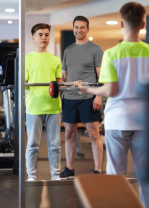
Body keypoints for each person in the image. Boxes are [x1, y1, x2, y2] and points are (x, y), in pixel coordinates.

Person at [75, 2, 149, 207]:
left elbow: (110, 90)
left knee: (116, 175)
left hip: (118, 119)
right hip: (144, 120)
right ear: (143, 24)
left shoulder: (112, 53)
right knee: (146, 176)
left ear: (121, 23)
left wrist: (88, 90)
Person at [59, 16, 104, 178]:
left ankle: (98, 169)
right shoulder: (68, 50)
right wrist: (59, 89)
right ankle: (69, 168)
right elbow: (64, 77)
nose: (79, 30)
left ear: (88, 29)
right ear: (73, 29)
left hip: (88, 98)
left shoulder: (96, 49)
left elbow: (101, 76)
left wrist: (98, 96)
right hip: (69, 98)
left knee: (93, 134)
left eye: (82, 27)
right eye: (76, 27)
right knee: (69, 134)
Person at [25, 23, 62, 181]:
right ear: (34, 38)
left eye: (46, 35)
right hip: (34, 107)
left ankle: (55, 175)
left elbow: (59, 83)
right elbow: (24, 83)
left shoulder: (55, 60)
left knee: (55, 146)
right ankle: (31, 176)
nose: (44, 37)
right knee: (33, 145)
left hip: (53, 107)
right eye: (40, 34)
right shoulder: (27, 59)